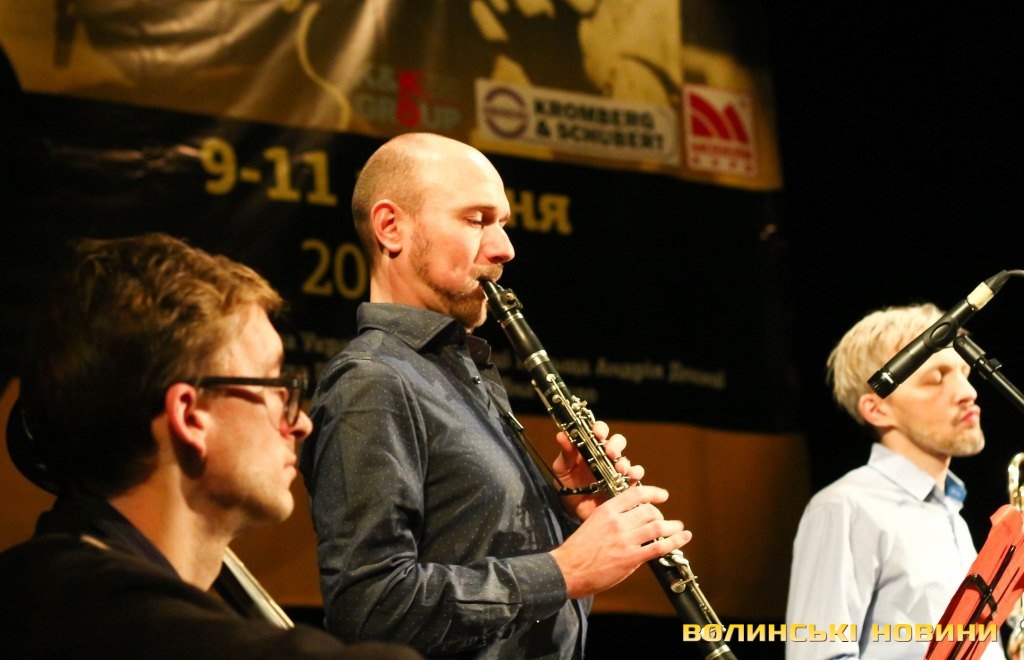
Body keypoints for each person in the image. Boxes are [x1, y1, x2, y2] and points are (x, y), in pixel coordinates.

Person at [299, 132, 692, 658]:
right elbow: (369, 609)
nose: (505, 248)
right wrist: (564, 570)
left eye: (502, 223)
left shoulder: (461, 372)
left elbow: (508, 603)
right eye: (477, 220)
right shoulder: (372, 381)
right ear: (391, 227)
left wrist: (567, 516)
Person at [0, 233, 421, 659]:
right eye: (274, 385)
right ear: (189, 416)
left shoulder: (40, 590)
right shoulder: (117, 627)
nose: (300, 423)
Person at [785, 303, 1006, 660]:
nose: (968, 392)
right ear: (877, 409)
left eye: (964, 372)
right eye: (936, 378)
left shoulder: (950, 513)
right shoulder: (846, 506)